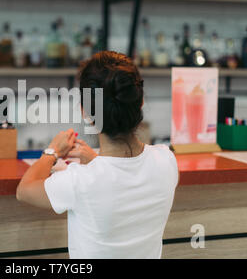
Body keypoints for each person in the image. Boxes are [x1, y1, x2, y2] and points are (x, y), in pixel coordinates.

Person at [16, 51, 178, 259]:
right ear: (141, 102)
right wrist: (97, 162)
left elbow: (24, 190)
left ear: (85, 112)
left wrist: (52, 151)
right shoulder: (167, 161)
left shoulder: (80, 180)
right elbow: (124, 177)